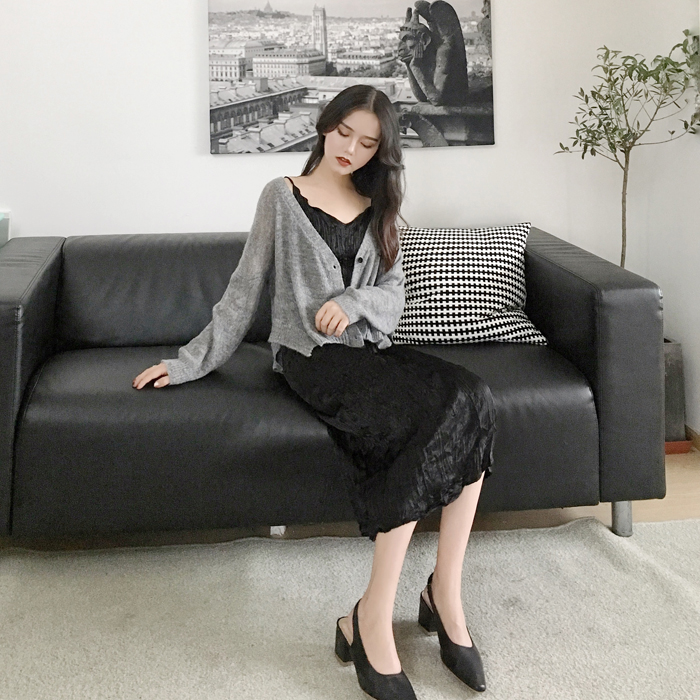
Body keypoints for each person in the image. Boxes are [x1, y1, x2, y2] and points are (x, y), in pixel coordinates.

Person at [132, 84, 496, 700]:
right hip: (310, 359)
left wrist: (353, 301)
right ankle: (372, 618)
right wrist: (189, 362)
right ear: (325, 126)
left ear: (381, 151)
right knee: (424, 419)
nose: (351, 149)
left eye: (368, 142)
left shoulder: (378, 205)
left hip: (369, 352)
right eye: (344, 132)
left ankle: (445, 593)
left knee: (474, 396)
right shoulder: (281, 196)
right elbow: (244, 288)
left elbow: (394, 296)